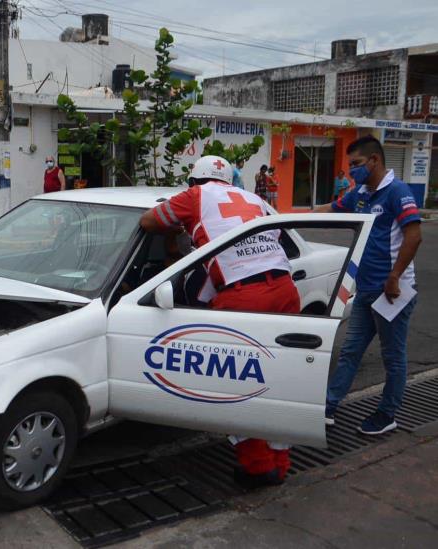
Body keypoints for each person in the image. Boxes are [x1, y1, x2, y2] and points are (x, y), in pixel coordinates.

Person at [140, 155, 300, 488]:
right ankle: (280, 463)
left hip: (243, 298)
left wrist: (178, 229)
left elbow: (149, 222)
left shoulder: (196, 196)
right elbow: (277, 237)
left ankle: (257, 468)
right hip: (285, 289)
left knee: (232, 390)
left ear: (194, 180)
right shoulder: (255, 199)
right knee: (280, 383)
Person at [313, 136, 422, 435]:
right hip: (365, 291)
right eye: (350, 166)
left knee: (393, 357)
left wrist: (394, 276)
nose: (351, 171)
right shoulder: (360, 193)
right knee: (350, 351)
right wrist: (284, 217)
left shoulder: (397, 192)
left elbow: (414, 236)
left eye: (356, 164)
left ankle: (387, 414)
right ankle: (329, 405)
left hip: (391, 292)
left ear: (374, 160)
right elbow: (332, 208)